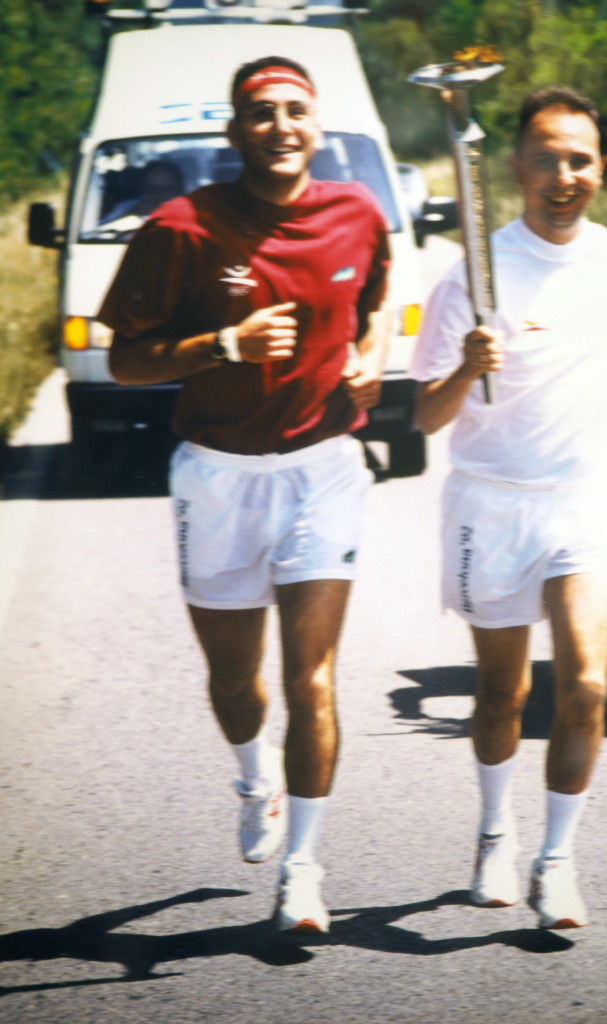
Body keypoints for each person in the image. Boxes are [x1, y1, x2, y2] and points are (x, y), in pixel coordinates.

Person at [97, 56, 391, 934]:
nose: (280, 126)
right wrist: (224, 341)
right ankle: (253, 780)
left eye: (295, 111)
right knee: (234, 678)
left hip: (322, 466)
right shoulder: (180, 228)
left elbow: (374, 299)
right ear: (234, 133)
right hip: (217, 472)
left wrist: (371, 354)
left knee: (313, 680)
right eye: (260, 113)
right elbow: (123, 360)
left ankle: (302, 871)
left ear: (317, 126)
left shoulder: (358, 214)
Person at [410, 86, 607, 929]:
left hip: (587, 496)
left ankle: (556, 863)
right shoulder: (470, 275)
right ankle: (495, 832)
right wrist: (465, 365)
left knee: (588, 685)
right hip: (491, 502)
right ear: (515, 167)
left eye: (581, 159)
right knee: (499, 697)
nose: (564, 175)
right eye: (548, 158)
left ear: (599, 169)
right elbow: (424, 415)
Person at [100, 159, 186, 225]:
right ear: (145, 188)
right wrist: (133, 214)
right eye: (154, 188)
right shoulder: (128, 207)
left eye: (167, 189)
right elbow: (103, 228)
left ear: (178, 190)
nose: (159, 194)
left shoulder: (188, 212)